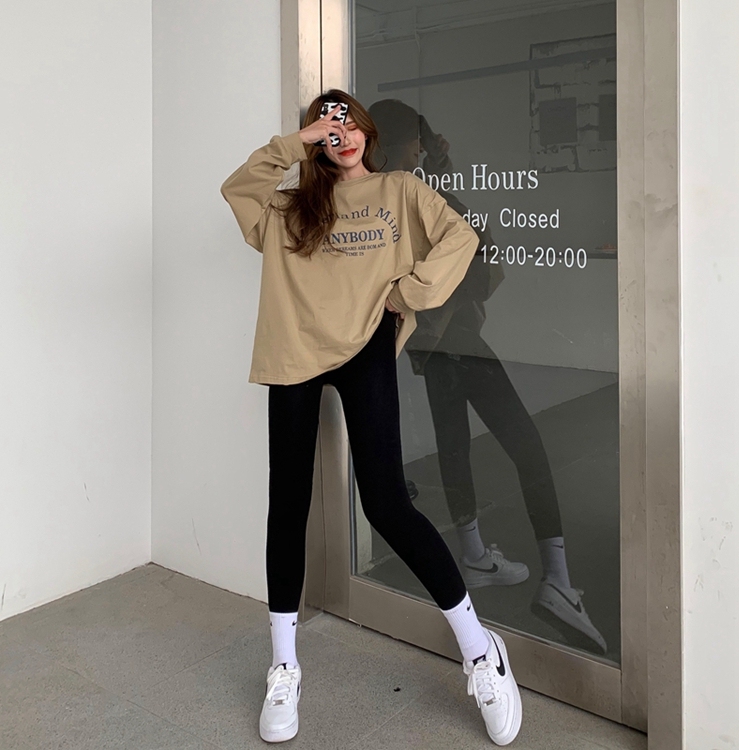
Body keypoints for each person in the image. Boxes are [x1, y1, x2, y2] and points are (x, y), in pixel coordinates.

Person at [220, 89, 522, 746]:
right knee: (288, 503)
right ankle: (284, 665)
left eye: (348, 123)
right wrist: (295, 145)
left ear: (367, 131)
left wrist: (408, 293)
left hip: (366, 351)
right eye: (327, 130)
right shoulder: (291, 207)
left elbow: (461, 236)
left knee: (387, 504)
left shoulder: (399, 191)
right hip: (294, 351)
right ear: (315, 143)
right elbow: (237, 188)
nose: (342, 136)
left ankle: (480, 651)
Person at [367, 99, 607, 656]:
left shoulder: (378, 198)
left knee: (454, 444)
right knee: (527, 444)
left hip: (431, 343)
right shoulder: (411, 194)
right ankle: (557, 580)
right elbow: (475, 249)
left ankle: (475, 555)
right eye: (416, 141)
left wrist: (440, 169)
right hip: (455, 340)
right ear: (395, 146)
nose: (423, 149)